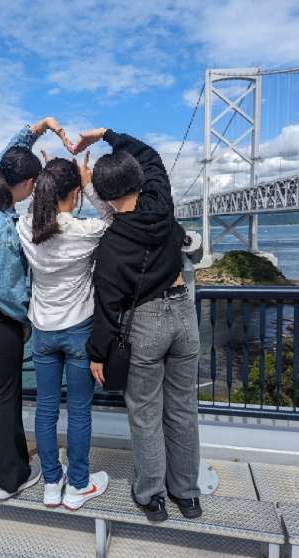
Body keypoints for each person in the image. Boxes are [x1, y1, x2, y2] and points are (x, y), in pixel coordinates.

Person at [71, 128, 201, 521]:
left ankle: (152, 496)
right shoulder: (161, 202)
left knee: (145, 414)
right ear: (139, 179)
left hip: (145, 323)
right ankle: (187, 495)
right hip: (184, 315)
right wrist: (105, 135)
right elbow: (151, 155)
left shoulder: (112, 245)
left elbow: (107, 308)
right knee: (183, 410)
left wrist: (97, 354)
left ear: (105, 196)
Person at [0, 117, 71, 500]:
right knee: (6, 396)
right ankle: (9, 479)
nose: (33, 191)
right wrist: (23, 322)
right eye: (33, 185)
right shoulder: (8, 233)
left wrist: (37, 128)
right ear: (25, 184)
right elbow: (10, 293)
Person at [17, 152, 111, 510]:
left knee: (45, 409)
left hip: (42, 330)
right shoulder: (86, 231)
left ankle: (52, 483)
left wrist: (50, 176)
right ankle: (79, 485)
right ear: (74, 193)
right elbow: (115, 219)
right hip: (78, 330)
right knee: (79, 410)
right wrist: (88, 184)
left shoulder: (26, 227)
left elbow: (38, 210)